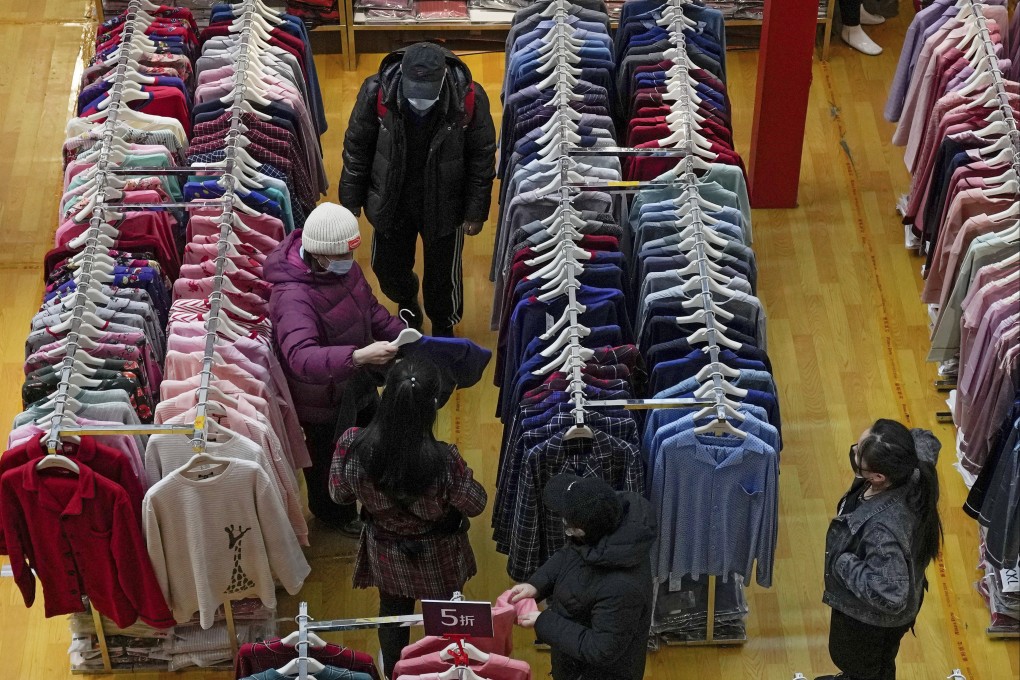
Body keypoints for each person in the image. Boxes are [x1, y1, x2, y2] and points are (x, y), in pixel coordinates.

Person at [328, 354, 488, 680]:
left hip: (385, 549)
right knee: (443, 617)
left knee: (393, 613)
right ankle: (441, 670)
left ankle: (395, 672)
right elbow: (475, 503)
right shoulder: (444, 461)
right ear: (433, 405)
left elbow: (338, 495)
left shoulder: (351, 446)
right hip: (438, 555)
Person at [339, 41, 497, 337]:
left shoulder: (469, 98)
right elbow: (356, 148)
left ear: (442, 81)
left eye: (428, 94)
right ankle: (407, 301)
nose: (419, 101)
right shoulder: (377, 92)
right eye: (414, 93)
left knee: (443, 275)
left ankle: (443, 322)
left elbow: (482, 157)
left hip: (446, 201)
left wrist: (475, 211)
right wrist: (351, 202)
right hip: (392, 197)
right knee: (387, 267)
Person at [266, 202, 405, 536]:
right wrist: (357, 357)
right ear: (321, 254)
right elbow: (300, 357)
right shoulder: (292, 295)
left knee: (369, 444)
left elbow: (369, 309)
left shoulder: (342, 267)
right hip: (321, 402)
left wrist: (400, 336)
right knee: (329, 462)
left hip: (355, 384)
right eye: (343, 255)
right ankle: (334, 516)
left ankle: (369, 500)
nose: (350, 261)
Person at [816, 419, 944, 680]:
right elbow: (925, 438)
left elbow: (891, 595)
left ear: (878, 477)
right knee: (880, 663)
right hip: (895, 617)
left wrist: (843, 563)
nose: (854, 452)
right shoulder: (912, 468)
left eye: (859, 457)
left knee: (864, 667)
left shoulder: (881, 532)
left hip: (868, 623)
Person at [508, 474, 657, 680]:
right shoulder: (604, 525)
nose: (565, 527)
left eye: (567, 526)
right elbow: (570, 553)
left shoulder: (622, 588)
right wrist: (536, 585)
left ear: (579, 530)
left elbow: (601, 649)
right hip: (572, 659)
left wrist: (544, 621)